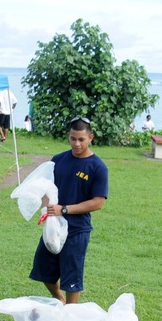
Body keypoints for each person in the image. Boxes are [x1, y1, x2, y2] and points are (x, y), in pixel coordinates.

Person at [29, 117, 109, 304]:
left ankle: (71, 314)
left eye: (81, 139)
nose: (77, 143)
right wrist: (47, 209)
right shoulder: (58, 160)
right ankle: (61, 301)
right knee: (43, 271)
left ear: (91, 138)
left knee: (72, 279)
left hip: (77, 229)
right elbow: (48, 188)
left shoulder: (98, 167)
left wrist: (64, 209)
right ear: (68, 136)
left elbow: (98, 202)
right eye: (73, 138)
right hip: (54, 226)